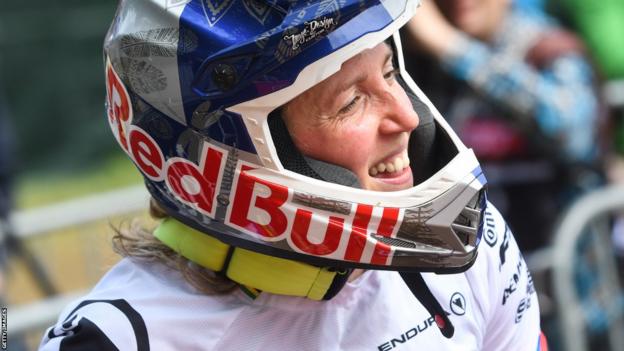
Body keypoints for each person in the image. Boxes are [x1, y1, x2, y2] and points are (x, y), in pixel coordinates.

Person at [40, 1, 545, 350]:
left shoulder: (470, 245)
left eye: (390, 73)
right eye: (351, 101)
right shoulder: (120, 339)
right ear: (231, 156)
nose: (407, 118)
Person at [403, 0, 604, 252]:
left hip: (556, 266)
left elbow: (573, 135)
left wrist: (452, 48)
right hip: (473, 259)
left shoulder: (549, 49)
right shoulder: (422, 60)